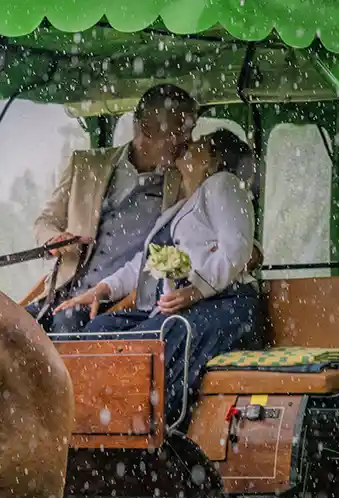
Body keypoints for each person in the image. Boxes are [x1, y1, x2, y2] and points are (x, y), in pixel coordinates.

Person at [55, 129, 260, 426]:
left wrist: (196, 290)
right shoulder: (181, 207)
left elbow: (237, 249)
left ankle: (142, 426)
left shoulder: (223, 184)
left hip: (223, 306)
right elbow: (146, 261)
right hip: (179, 307)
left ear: (212, 161)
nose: (189, 144)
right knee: (99, 330)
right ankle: (101, 422)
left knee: (148, 344)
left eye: (199, 144)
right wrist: (102, 289)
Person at [25, 84, 199, 332]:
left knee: (67, 323)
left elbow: (203, 230)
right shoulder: (85, 165)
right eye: (179, 132)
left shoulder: (182, 180)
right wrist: (55, 239)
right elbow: (45, 221)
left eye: (189, 132)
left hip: (120, 301)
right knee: (8, 327)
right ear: (147, 128)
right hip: (61, 294)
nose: (187, 142)